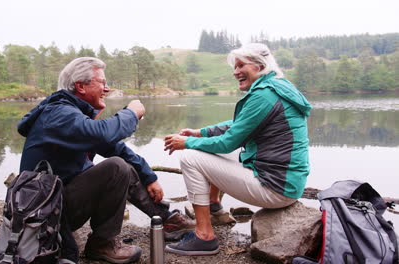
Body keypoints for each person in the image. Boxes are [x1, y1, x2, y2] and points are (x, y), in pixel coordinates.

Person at [17, 57, 194, 264]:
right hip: (45, 213)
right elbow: (104, 135)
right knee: (116, 168)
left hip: (58, 204)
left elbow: (115, 147)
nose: (107, 89)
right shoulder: (60, 114)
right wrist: (132, 113)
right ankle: (102, 243)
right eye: (102, 82)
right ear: (81, 86)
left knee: (121, 163)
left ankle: (166, 219)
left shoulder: (71, 115)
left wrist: (149, 176)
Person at [163, 43, 312, 256]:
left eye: (241, 65)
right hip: (286, 182)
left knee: (190, 157)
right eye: (235, 66)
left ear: (260, 65)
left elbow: (228, 142)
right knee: (207, 149)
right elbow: (240, 124)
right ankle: (214, 207)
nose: (235, 72)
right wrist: (201, 133)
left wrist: (186, 143)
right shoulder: (277, 86)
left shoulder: (265, 95)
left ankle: (204, 236)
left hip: (275, 188)